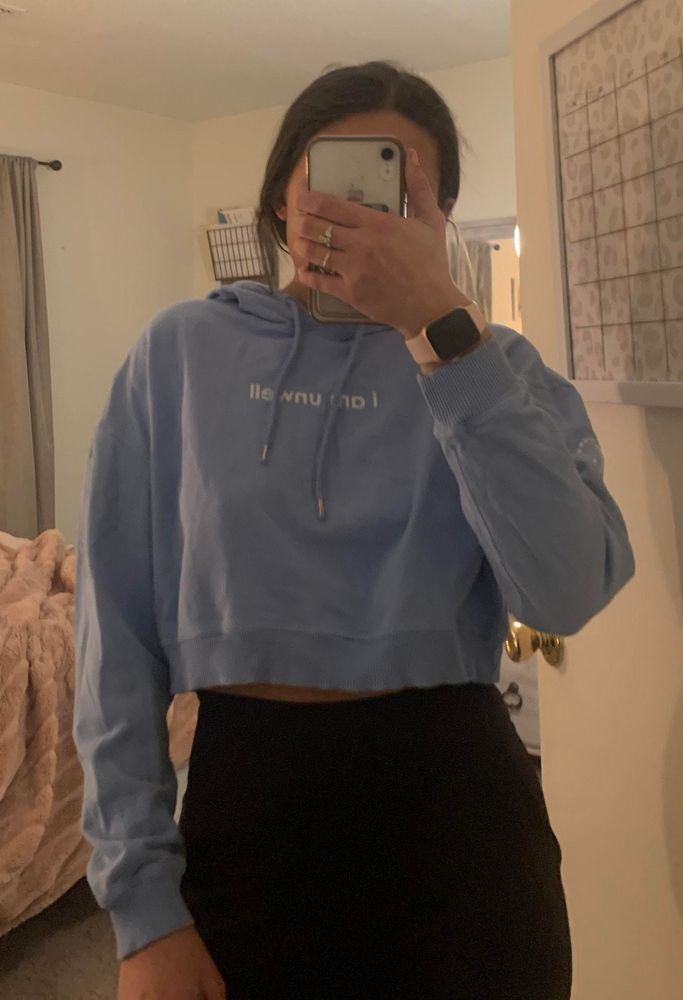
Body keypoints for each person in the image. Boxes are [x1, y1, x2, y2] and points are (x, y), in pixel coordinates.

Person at [73, 61, 636, 1000]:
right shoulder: (179, 354)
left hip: (462, 825)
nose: (367, 212)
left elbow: (566, 590)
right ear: (281, 200)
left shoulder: (496, 366)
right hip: (247, 810)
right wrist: (141, 911)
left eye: (404, 190)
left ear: (442, 217)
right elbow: (114, 644)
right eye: (338, 178)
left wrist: (441, 335)